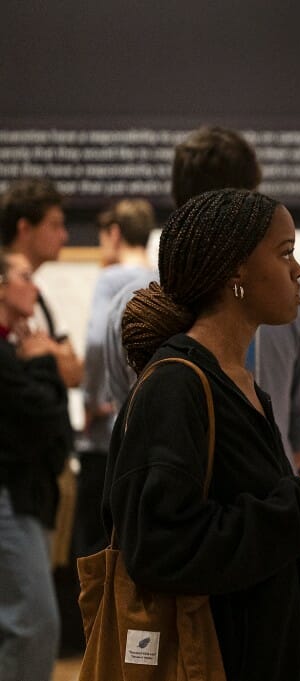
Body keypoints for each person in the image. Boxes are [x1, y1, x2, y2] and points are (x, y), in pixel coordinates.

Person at [103, 189, 300, 681]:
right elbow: (161, 549)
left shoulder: (243, 385)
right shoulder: (175, 386)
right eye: (285, 252)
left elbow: (274, 570)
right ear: (236, 272)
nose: (298, 271)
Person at [101, 126, 300, 471]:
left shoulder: (128, 303)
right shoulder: (146, 318)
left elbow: (124, 412)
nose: (296, 270)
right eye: (285, 253)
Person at [0, 249, 74, 680]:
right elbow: (48, 419)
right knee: (34, 623)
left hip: (24, 499)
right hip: (11, 500)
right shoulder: (10, 355)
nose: (36, 285)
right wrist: (45, 360)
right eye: (25, 275)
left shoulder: (15, 349)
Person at [78, 199, 157, 556]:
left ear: (114, 233)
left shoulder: (112, 280)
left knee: (98, 547)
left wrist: (91, 401)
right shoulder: (162, 278)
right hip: (150, 428)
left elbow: (96, 342)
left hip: (110, 429)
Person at [0, 178, 83, 387]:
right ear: (25, 228)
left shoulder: (42, 295)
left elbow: (75, 373)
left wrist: (47, 349)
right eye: (54, 225)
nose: (64, 236)